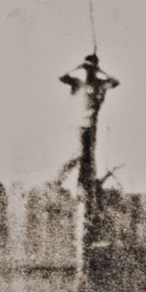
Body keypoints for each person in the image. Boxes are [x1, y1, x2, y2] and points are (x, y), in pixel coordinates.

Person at [57, 54, 119, 203]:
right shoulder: (78, 83)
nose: (90, 71)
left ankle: (82, 189)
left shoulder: (100, 84)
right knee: (78, 154)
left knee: (87, 158)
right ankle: (61, 180)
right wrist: (79, 66)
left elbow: (115, 82)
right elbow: (62, 77)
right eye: (88, 69)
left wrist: (100, 70)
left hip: (91, 126)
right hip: (77, 125)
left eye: (92, 68)